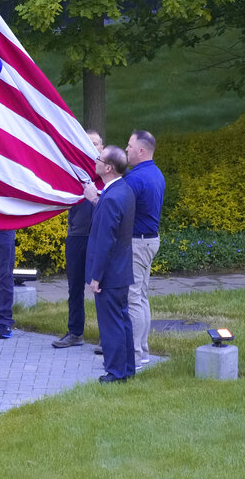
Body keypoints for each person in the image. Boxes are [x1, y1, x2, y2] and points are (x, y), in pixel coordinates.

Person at [86, 145, 136, 383]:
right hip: (121, 269)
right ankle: (127, 369)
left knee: (111, 325)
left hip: (110, 273)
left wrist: (96, 277)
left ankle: (115, 373)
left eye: (99, 158)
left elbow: (105, 241)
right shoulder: (123, 190)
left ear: (108, 168)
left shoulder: (111, 197)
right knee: (122, 320)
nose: (95, 161)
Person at [53, 129, 104, 349]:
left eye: (96, 144)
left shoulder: (107, 174)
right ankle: (75, 332)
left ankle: (107, 337)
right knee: (74, 287)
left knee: (103, 288)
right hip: (76, 236)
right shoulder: (74, 171)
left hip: (99, 238)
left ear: (102, 147)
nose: (93, 147)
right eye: (88, 143)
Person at [123, 130, 166, 371]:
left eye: (129, 146)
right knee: (141, 296)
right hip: (148, 240)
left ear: (141, 151)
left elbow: (117, 208)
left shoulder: (136, 179)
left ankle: (136, 356)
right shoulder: (154, 173)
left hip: (138, 243)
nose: (126, 149)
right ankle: (144, 352)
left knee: (133, 298)